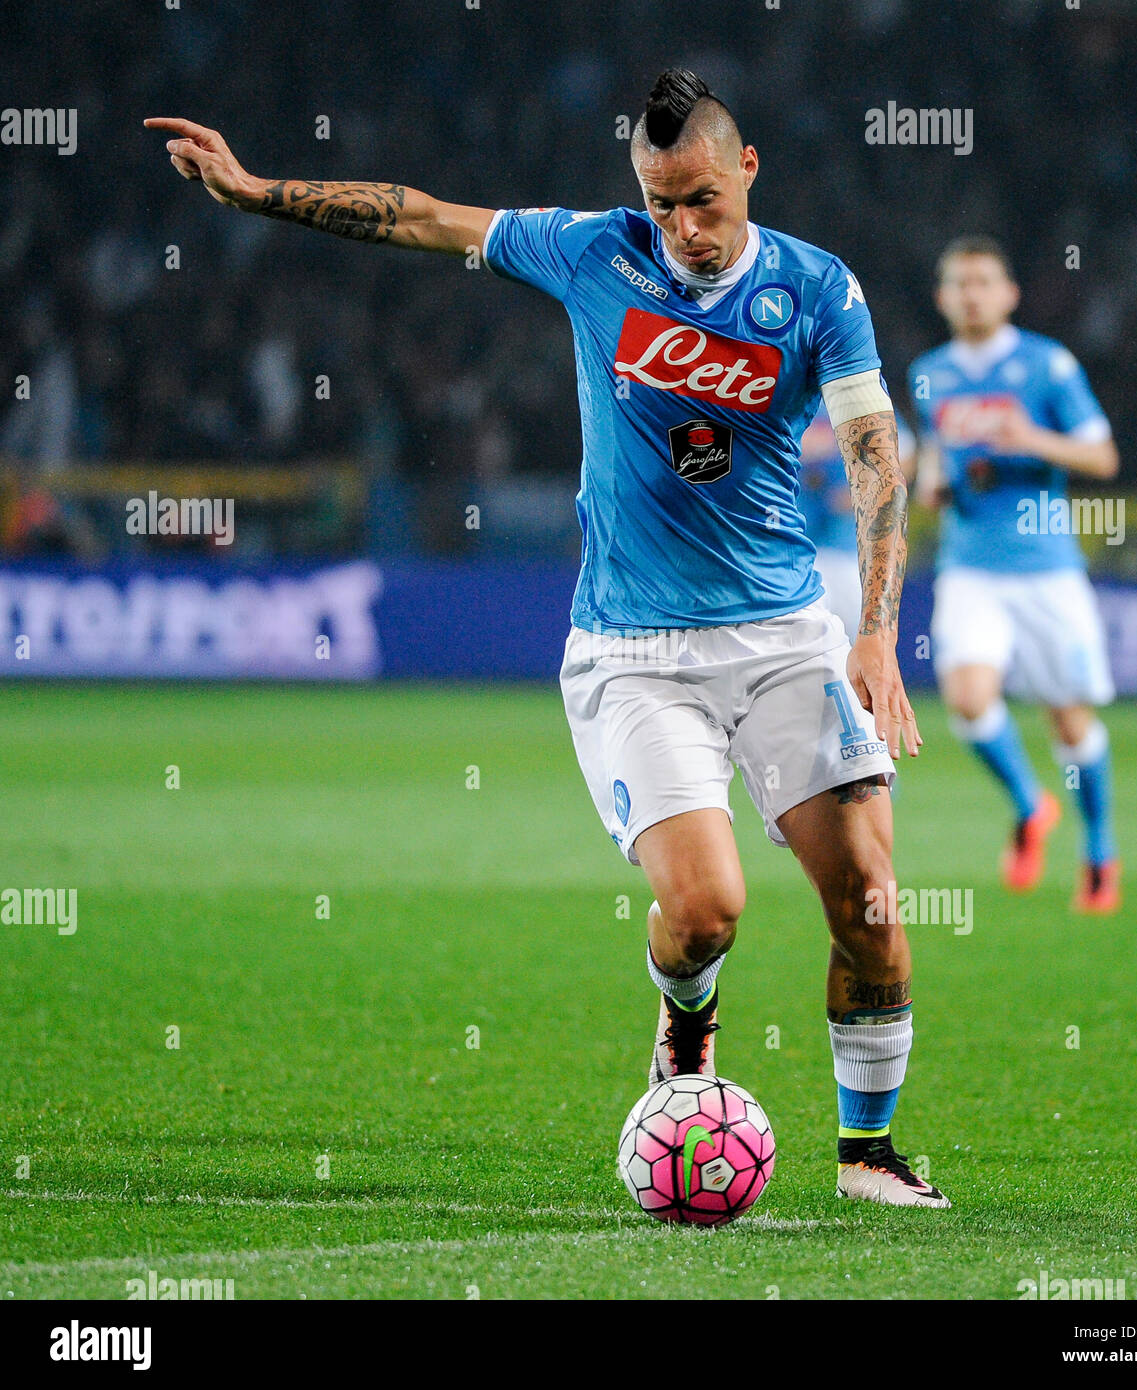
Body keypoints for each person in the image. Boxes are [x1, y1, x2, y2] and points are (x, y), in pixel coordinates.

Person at [147, 67, 948, 1205]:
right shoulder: (588, 251)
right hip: (634, 650)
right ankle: (685, 1021)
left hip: (782, 636)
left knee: (868, 897)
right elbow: (424, 216)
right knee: (706, 907)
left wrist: (876, 631)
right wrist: (256, 189)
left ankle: (866, 1153)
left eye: (703, 199)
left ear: (747, 168)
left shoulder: (818, 288)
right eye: (662, 202)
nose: (684, 227)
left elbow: (874, 454)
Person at [908, 237, 1121, 912]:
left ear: (1008, 294)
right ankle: (1031, 806)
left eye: (983, 282)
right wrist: (931, 487)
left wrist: (1030, 440)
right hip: (969, 566)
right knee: (968, 699)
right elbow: (933, 465)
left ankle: (1099, 850)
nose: (971, 294)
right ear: (942, 297)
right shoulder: (928, 374)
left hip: (1045, 568)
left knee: (1068, 720)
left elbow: (1101, 457)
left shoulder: (1046, 365)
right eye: (959, 283)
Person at [799, 399, 916, 637]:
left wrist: (868, 492)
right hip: (792, 548)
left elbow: (904, 456)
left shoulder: (853, 391)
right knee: (804, 645)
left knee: (858, 642)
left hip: (851, 549)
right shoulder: (782, 393)